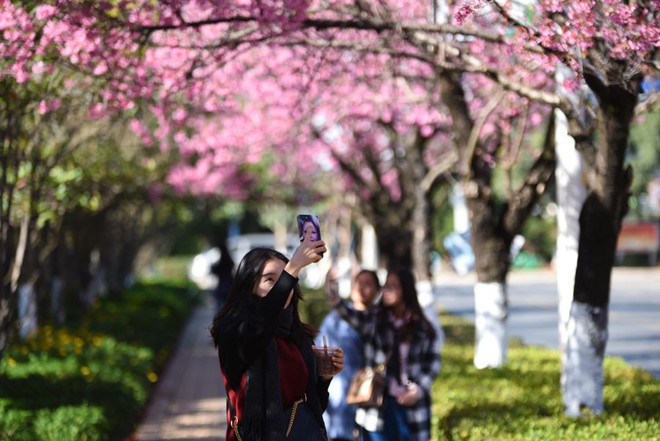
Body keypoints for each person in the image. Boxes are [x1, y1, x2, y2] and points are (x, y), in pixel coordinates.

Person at [209, 229, 344, 441]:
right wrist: (293, 267)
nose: (285, 286)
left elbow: (312, 408)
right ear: (248, 286)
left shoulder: (297, 335)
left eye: (286, 280)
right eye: (270, 280)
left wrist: (324, 379)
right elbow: (259, 327)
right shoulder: (234, 330)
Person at [326, 266, 441, 441]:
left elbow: (433, 363)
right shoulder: (374, 319)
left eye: (393, 286)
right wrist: (331, 289)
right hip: (378, 403)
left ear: (406, 290)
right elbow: (346, 312)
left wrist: (417, 390)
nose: (387, 290)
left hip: (411, 403)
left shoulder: (422, 327)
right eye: (386, 285)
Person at [316, 269, 381, 441]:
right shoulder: (334, 318)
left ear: (377, 290)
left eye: (368, 284)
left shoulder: (377, 319)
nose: (361, 288)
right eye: (359, 283)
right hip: (332, 393)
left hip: (361, 393)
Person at [210, 241, 235, 312]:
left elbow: (214, 271)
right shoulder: (229, 260)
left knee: (220, 311)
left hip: (222, 288)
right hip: (229, 287)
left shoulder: (221, 262)